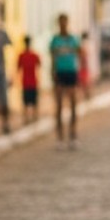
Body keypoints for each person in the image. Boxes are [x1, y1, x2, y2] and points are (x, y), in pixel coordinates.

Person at [50, 13, 81, 147]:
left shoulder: (73, 39)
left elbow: (79, 55)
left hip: (71, 72)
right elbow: (52, 58)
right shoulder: (55, 40)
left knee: (73, 104)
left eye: (65, 22)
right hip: (59, 73)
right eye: (61, 22)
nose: (63, 24)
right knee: (59, 105)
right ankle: (60, 137)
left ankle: (73, 135)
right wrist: (53, 72)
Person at [16, 35, 42, 125]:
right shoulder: (31, 55)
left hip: (29, 82)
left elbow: (18, 68)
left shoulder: (25, 55)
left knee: (28, 102)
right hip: (29, 82)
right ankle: (31, 118)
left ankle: (30, 119)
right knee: (30, 102)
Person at [78, 32, 93, 99]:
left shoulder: (83, 44)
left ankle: (87, 94)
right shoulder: (89, 44)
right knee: (86, 81)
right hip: (87, 65)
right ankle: (87, 94)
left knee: (85, 81)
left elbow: (83, 54)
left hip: (84, 65)